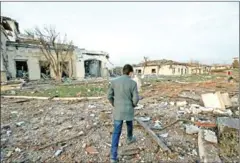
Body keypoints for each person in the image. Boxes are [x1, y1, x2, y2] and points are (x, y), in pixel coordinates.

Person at [107, 64, 139, 163]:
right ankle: (129, 138)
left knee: (116, 132)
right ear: (130, 72)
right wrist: (133, 105)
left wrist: (114, 104)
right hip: (128, 109)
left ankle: (113, 157)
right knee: (129, 124)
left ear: (123, 71)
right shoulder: (133, 83)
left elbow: (109, 96)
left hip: (118, 111)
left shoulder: (114, 81)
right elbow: (136, 98)